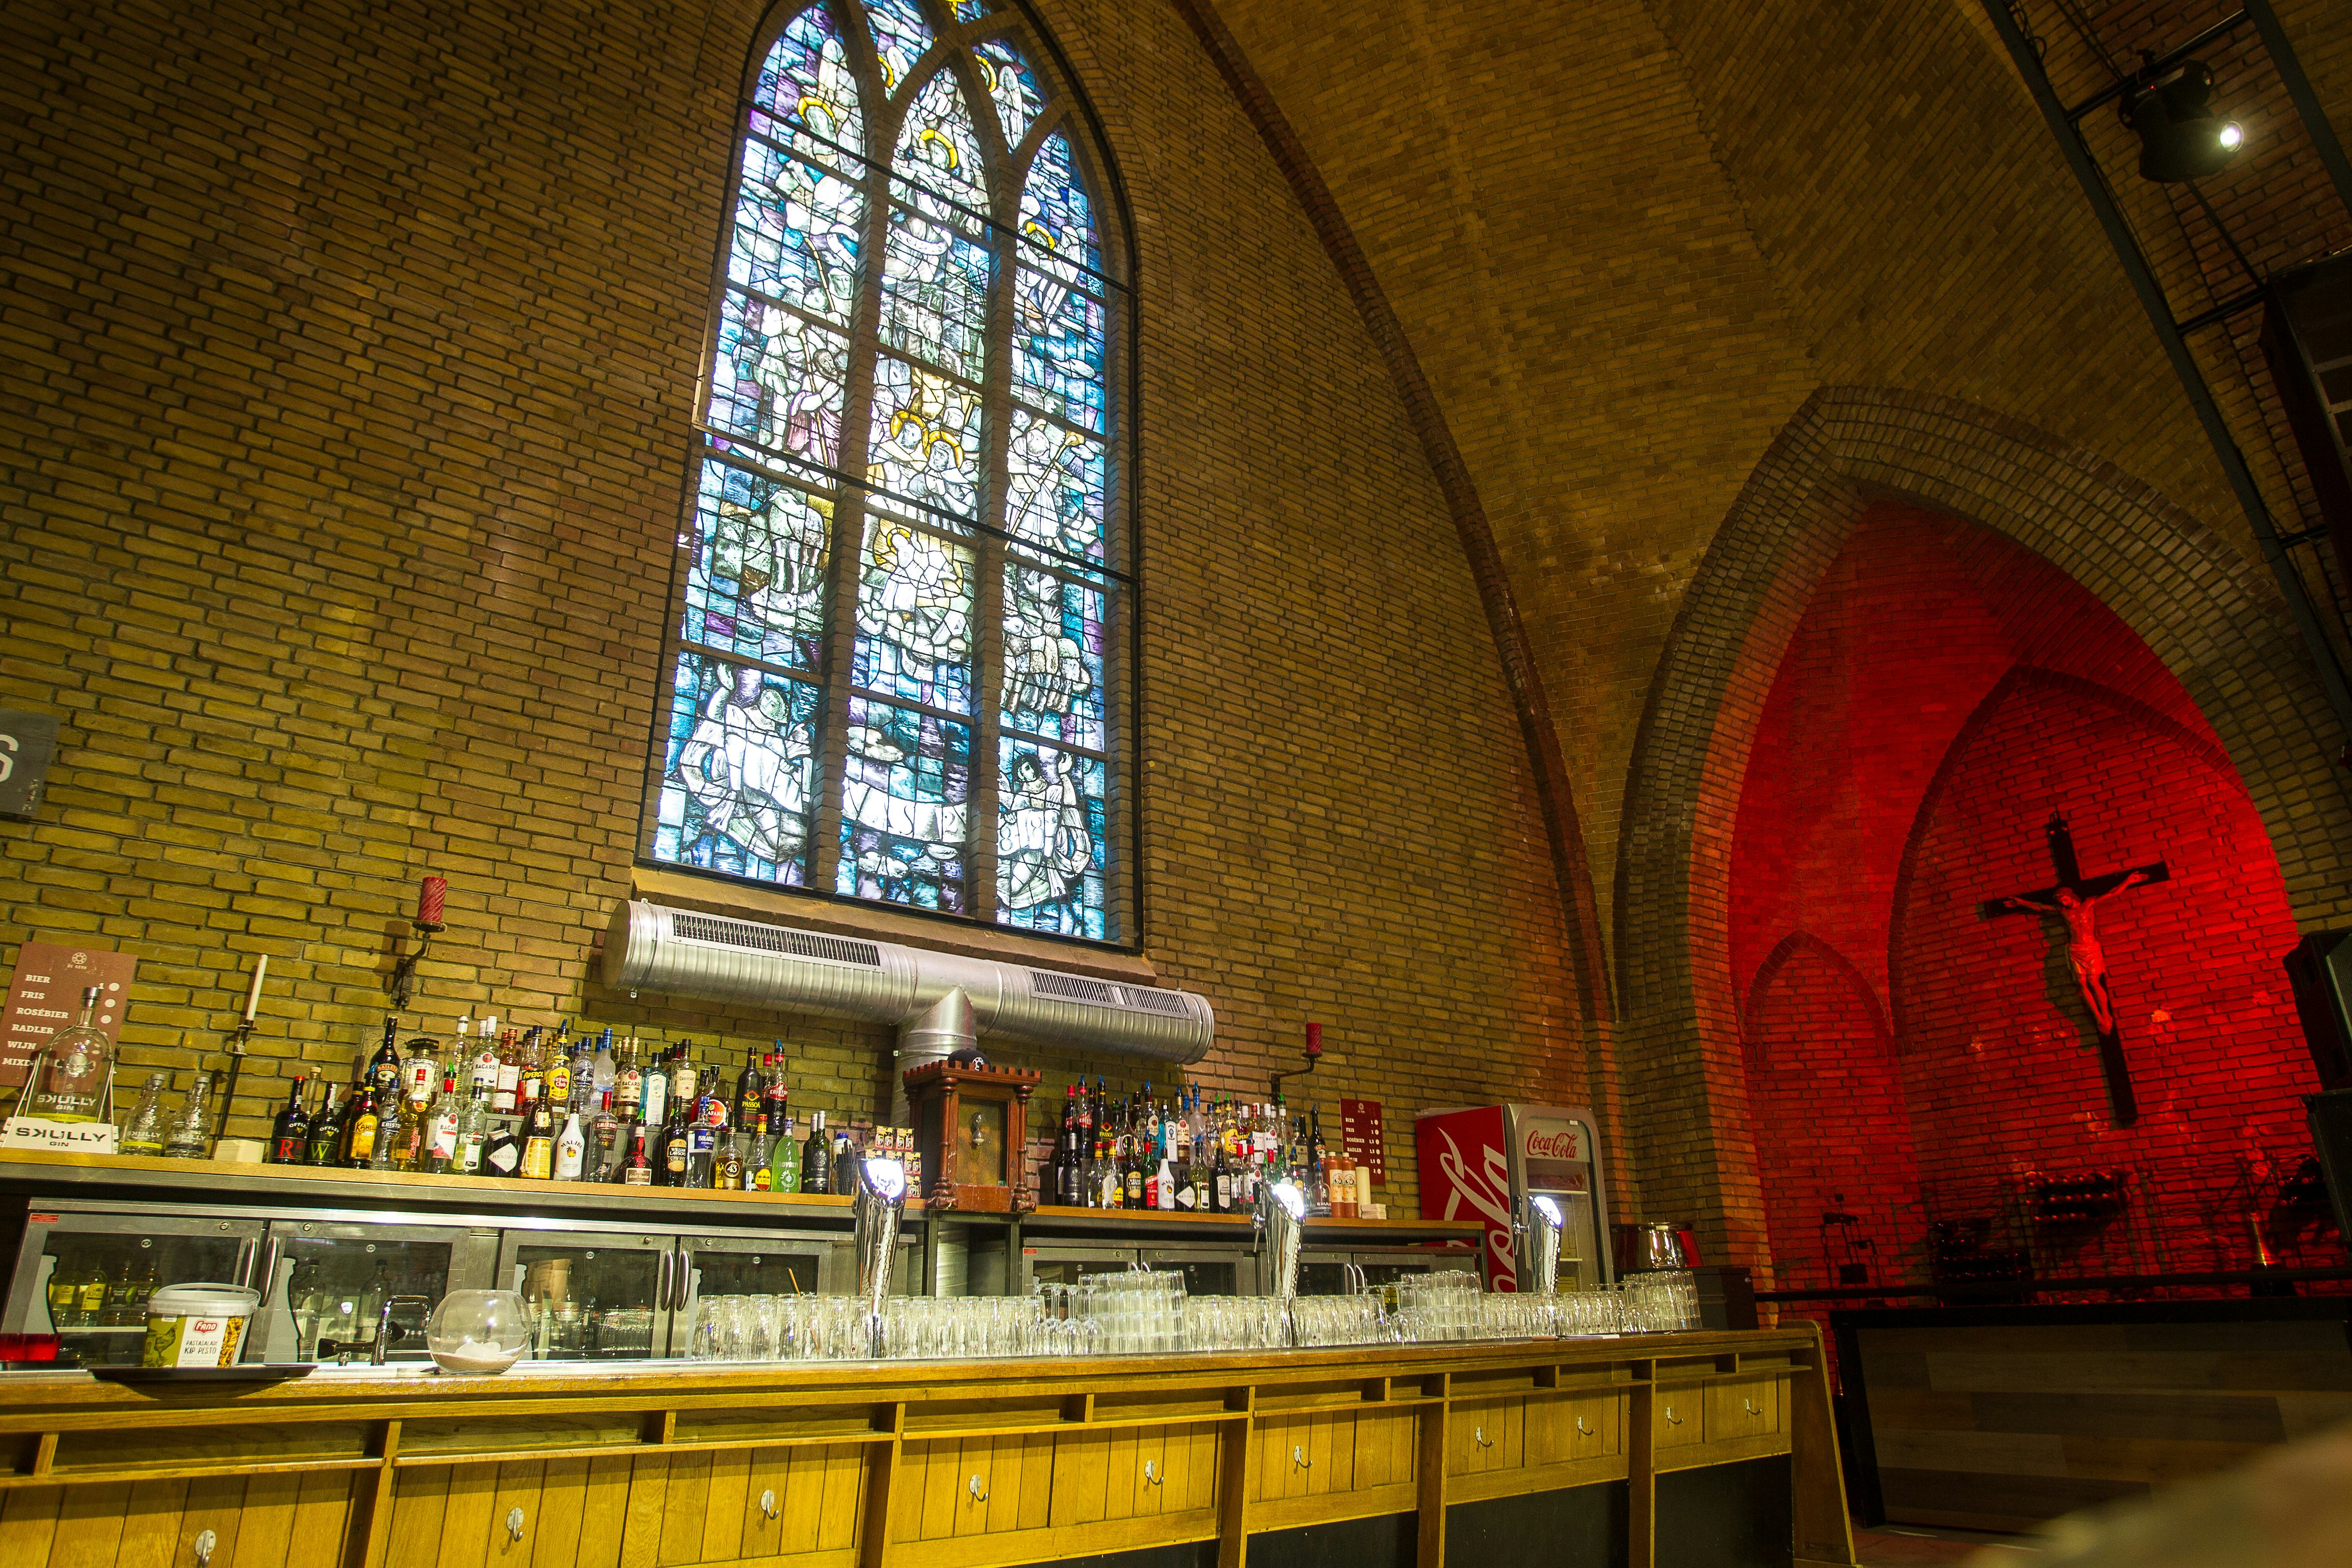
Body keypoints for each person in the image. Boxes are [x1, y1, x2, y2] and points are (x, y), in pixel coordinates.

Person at [1995, 869, 2151, 1036]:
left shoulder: (2088, 904)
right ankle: (2098, 1017)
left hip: (2090, 947)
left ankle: (2106, 1014)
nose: (2065, 903)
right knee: (2082, 982)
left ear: (2072, 896)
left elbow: (2112, 894)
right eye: (2062, 901)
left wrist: (2128, 881)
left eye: (2066, 899)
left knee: (2093, 981)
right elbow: (2040, 908)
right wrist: (2021, 903)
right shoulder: (2063, 912)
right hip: (2075, 949)